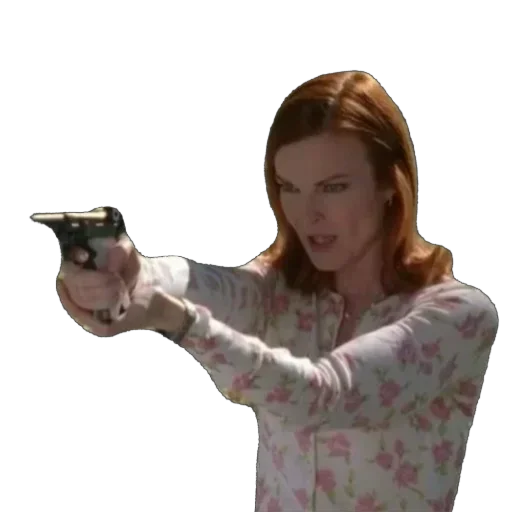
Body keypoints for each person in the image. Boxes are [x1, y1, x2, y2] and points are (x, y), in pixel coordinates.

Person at [57, 71, 498, 511]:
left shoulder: (461, 316)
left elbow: (325, 395)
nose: (307, 213)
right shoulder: (281, 289)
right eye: (289, 188)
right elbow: (213, 286)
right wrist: (135, 272)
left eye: (333, 187)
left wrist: (180, 322)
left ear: (389, 185)